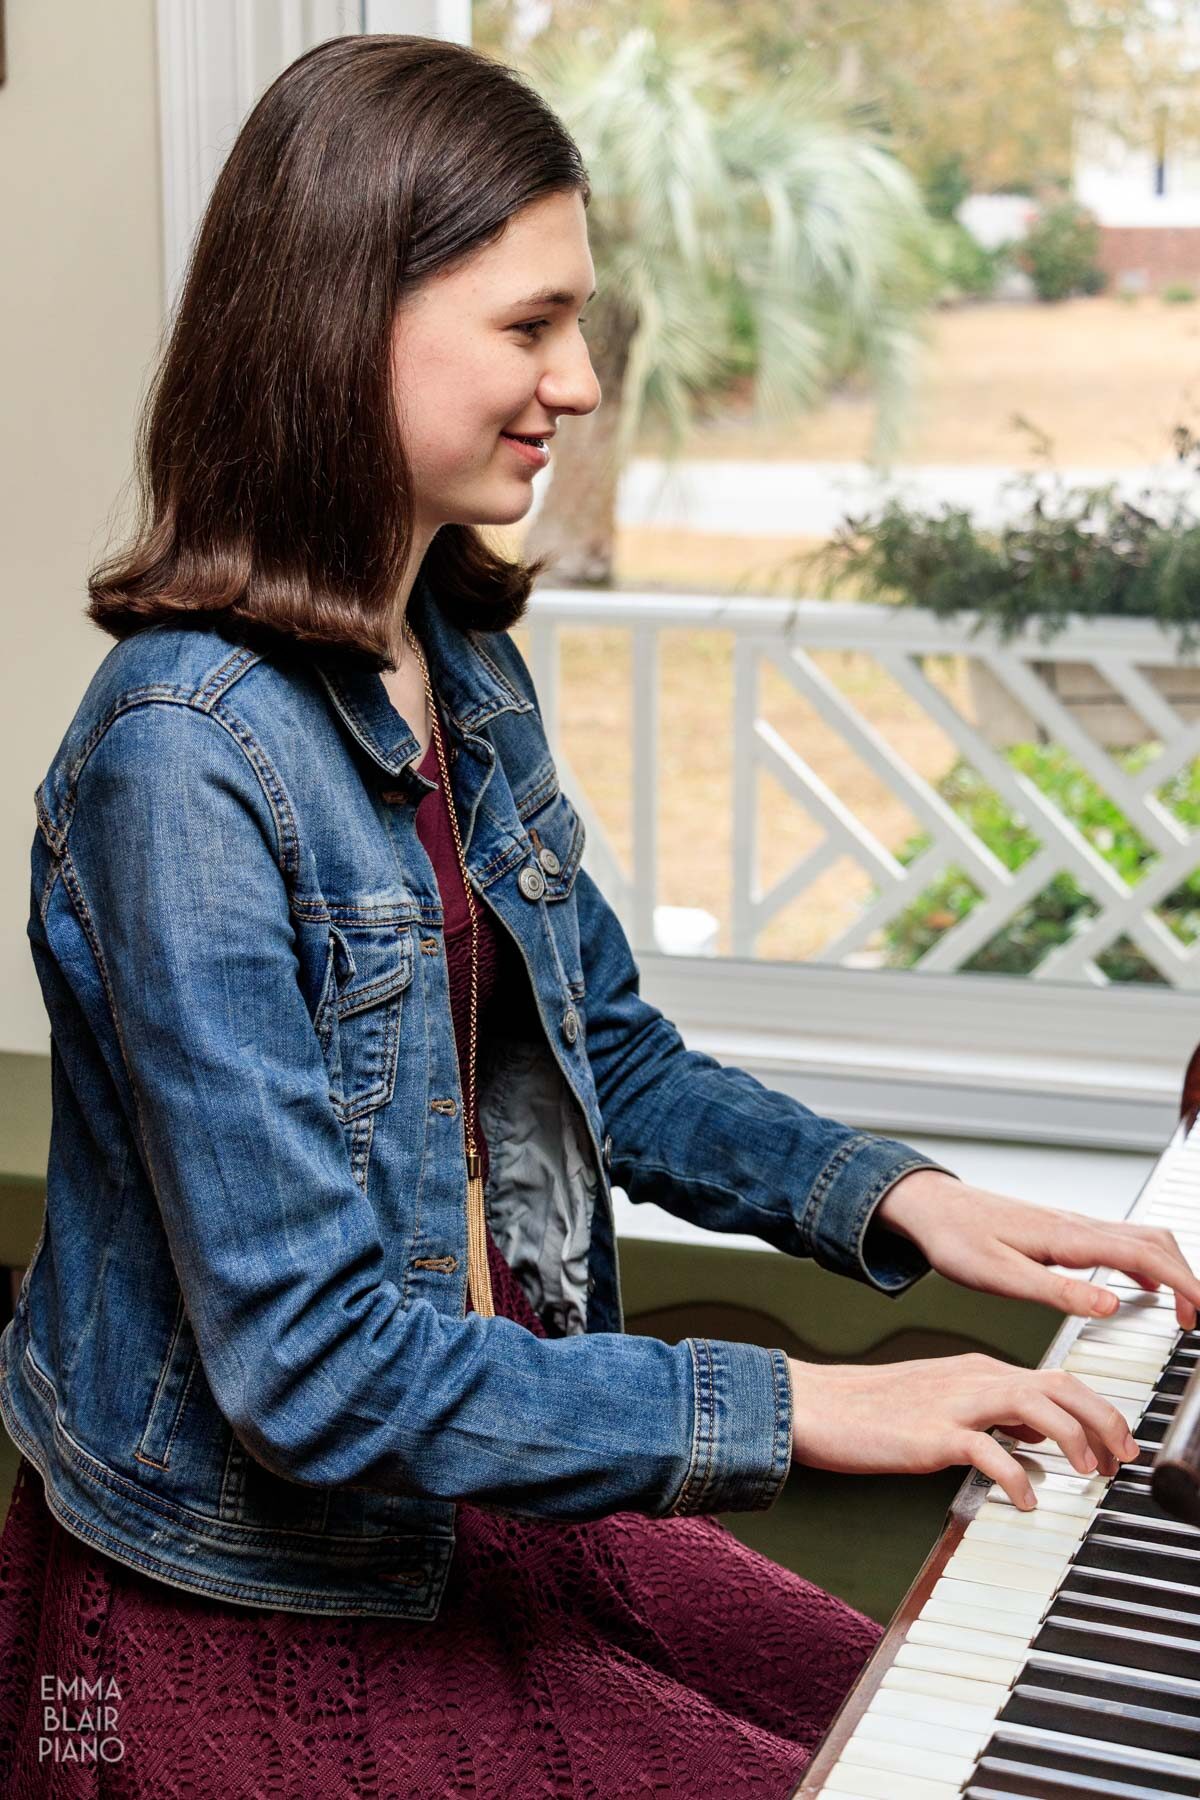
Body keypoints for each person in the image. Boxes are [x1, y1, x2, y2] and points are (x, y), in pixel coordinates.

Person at [1, 33, 1196, 1800]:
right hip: (245, 1599)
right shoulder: (181, 757)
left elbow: (606, 1060)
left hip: (472, 1496)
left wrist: (914, 1202)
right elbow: (312, 1372)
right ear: (347, 319)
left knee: (903, 1726)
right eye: (529, 322)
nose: (575, 378)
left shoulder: (450, 661)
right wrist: (817, 1406)